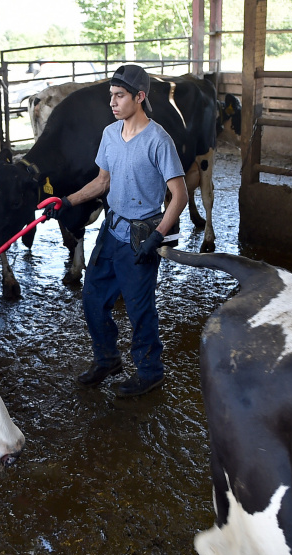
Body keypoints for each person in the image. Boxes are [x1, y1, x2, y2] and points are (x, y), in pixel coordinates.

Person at [38, 64, 187, 397]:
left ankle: (150, 371)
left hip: (141, 237)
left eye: (120, 96)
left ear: (140, 96)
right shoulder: (109, 134)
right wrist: (65, 201)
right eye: (111, 96)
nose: (113, 102)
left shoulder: (158, 140)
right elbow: (102, 181)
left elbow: (180, 195)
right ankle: (107, 358)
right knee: (92, 298)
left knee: (139, 309)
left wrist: (159, 235)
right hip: (111, 230)